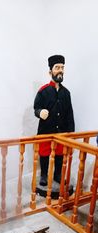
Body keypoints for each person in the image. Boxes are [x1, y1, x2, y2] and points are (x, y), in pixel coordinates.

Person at [34, 55, 75, 186]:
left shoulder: (66, 93)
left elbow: (70, 113)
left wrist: (71, 133)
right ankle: (44, 175)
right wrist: (40, 112)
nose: (60, 70)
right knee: (44, 153)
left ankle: (57, 174)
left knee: (59, 154)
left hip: (62, 132)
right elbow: (36, 108)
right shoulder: (43, 91)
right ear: (50, 71)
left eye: (62, 68)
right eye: (57, 67)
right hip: (46, 131)